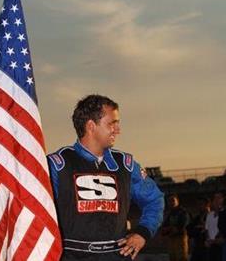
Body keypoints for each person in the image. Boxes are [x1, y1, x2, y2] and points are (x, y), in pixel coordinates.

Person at [47, 94, 164, 260]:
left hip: (117, 256)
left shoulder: (126, 164)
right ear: (91, 126)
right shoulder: (57, 165)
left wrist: (142, 233)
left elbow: (155, 199)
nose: (118, 130)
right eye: (112, 123)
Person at [161, 193, 190, 261]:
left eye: (173, 200)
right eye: (169, 201)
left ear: (177, 201)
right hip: (171, 241)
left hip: (180, 240)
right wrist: (169, 229)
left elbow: (184, 226)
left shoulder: (183, 212)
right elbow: (163, 228)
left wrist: (171, 228)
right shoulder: (169, 214)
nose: (171, 203)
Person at [186, 197, 210, 261]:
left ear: (207, 205)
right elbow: (189, 230)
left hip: (208, 248)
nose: (199, 206)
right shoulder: (196, 218)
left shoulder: (212, 216)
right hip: (198, 247)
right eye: (198, 204)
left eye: (201, 204)